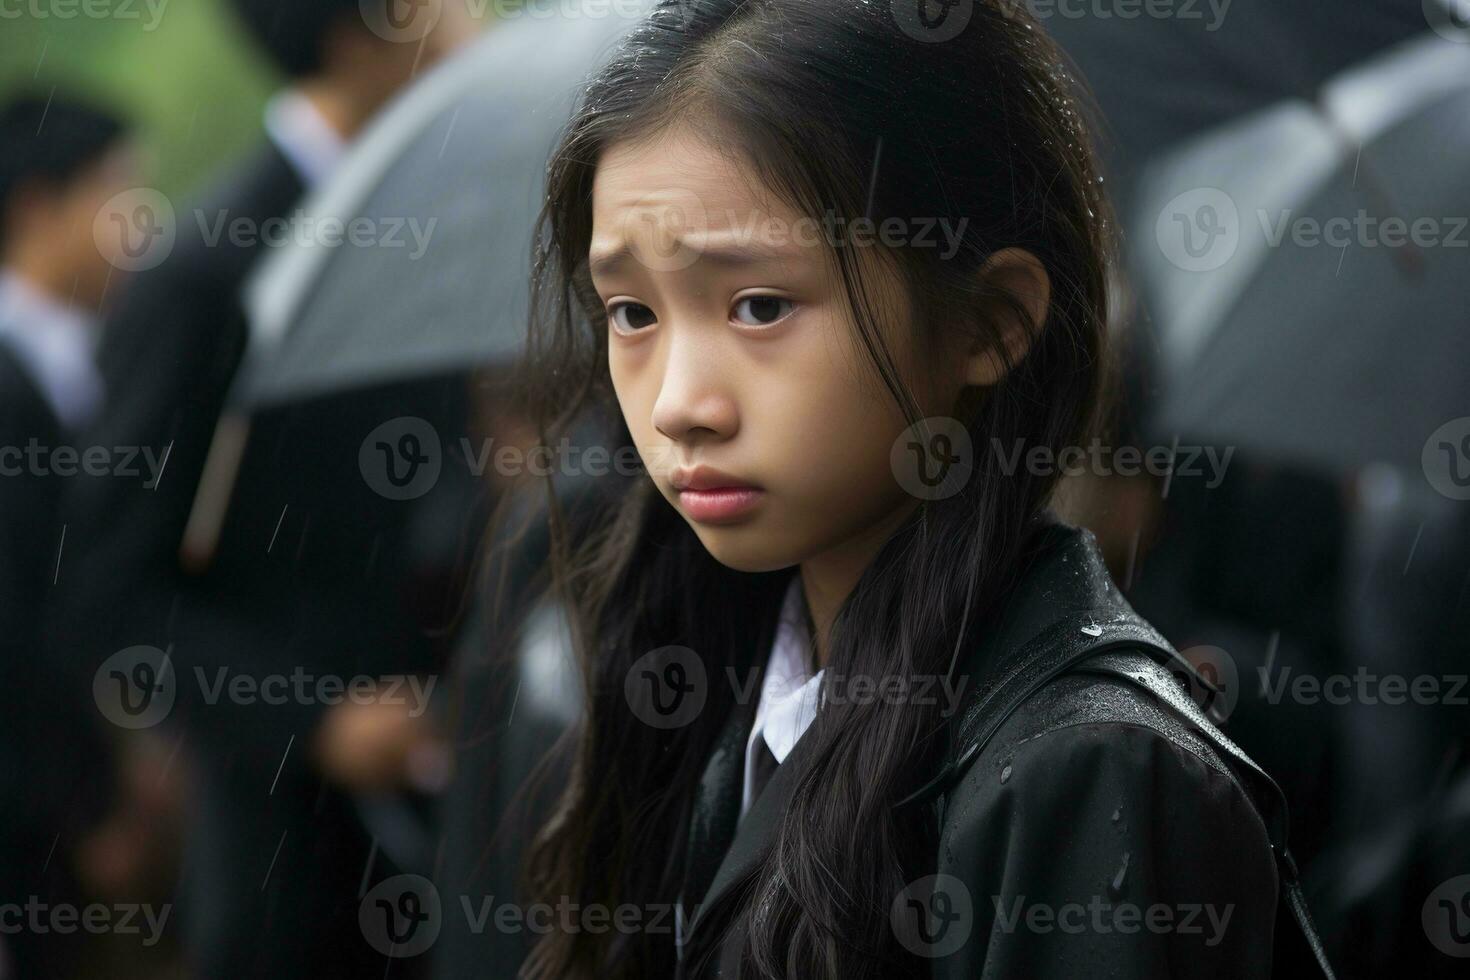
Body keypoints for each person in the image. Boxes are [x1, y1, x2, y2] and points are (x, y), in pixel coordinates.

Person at [506, 2, 1333, 977]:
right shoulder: (713, 702)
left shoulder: (1091, 771)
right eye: (632, 310)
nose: (681, 403)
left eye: (760, 304)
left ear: (988, 322)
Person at [47, 2, 476, 977]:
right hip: (290, 860)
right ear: (353, 34)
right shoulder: (205, 275)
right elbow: (107, 592)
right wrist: (317, 718)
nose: (474, 19)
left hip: (459, 821)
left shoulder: (442, 232)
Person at [0, 93, 135, 979]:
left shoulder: (101, 357)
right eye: (118, 194)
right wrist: (85, 811)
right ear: (37, 209)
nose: (139, 223)